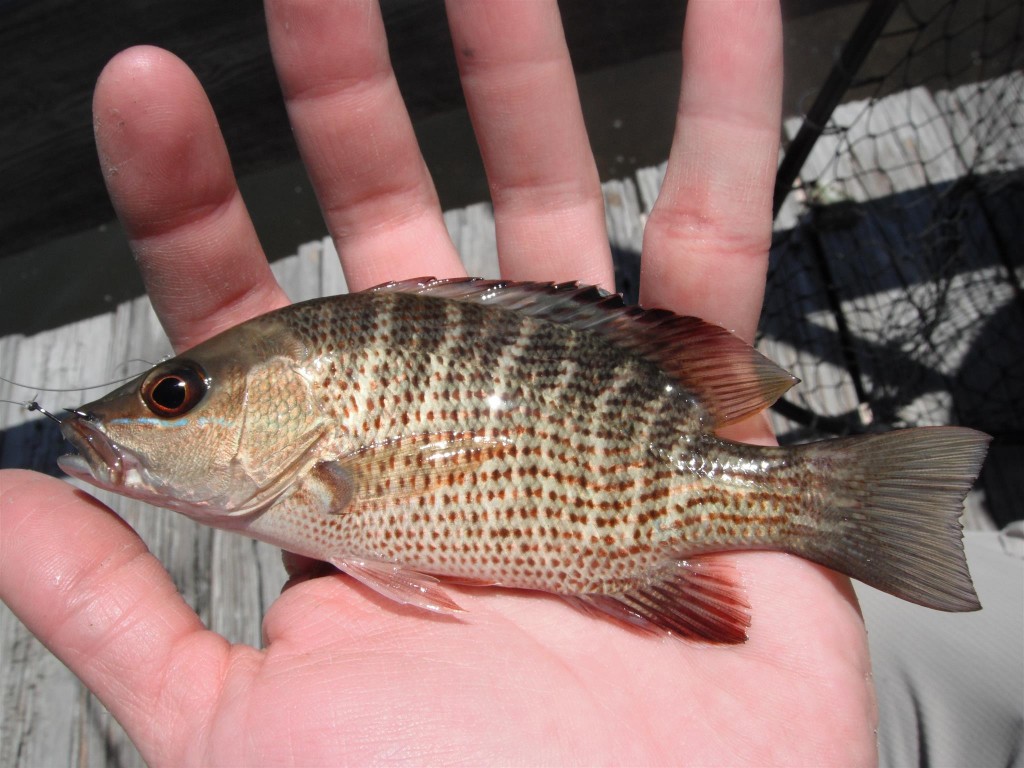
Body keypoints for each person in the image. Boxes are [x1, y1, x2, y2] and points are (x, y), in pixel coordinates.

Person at [0, 0, 903, 763]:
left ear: (287, 399)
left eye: (173, 396)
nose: (143, 415)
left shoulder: (321, 474)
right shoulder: (308, 482)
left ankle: (838, 499)